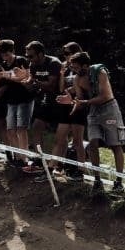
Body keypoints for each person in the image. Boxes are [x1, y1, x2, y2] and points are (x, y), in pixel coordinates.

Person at [57, 51, 125, 195]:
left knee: (115, 145)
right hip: (93, 110)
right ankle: (97, 180)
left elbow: (104, 95)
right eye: (72, 67)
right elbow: (80, 100)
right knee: (92, 143)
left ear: (85, 65)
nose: (74, 70)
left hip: (109, 108)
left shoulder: (99, 72)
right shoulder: (77, 79)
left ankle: (119, 182)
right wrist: (71, 101)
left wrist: (84, 102)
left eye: (76, 67)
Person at [48, 41, 87, 182]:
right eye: (64, 54)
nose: (66, 56)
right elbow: (61, 88)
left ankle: (81, 170)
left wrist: (73, 91)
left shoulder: (81, 67)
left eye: (68, 53)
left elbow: (84, 86)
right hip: (65, 105)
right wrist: (62, 73)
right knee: (59, 138)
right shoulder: (66, 66)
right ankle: (52, 168)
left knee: (77, 141)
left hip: (78, 104)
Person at [0, 39, 33, 167]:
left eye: (7, 53)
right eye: (2, 53)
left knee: (21, 129)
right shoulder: (2, 65)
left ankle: (24, 158)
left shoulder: (21, 61)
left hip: (24, 99)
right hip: (11, 101)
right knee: (10, 130)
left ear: (13, 51)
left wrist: (9, 76)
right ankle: (17, 157)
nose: (5, 56)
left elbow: (27, 77)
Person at [23, 40, 62, 174]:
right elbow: (30, 87)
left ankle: (61, 163)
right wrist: (23, 81)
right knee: (36, 127)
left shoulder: (53, 63)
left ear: (40, 54)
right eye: (27, 56)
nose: (29, 59)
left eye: (31, 56)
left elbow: (51, 85)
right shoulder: (33, 65)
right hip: (43, 100)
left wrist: (33, 82)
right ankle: (39, 160)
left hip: (58, 101)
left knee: (60, 134)